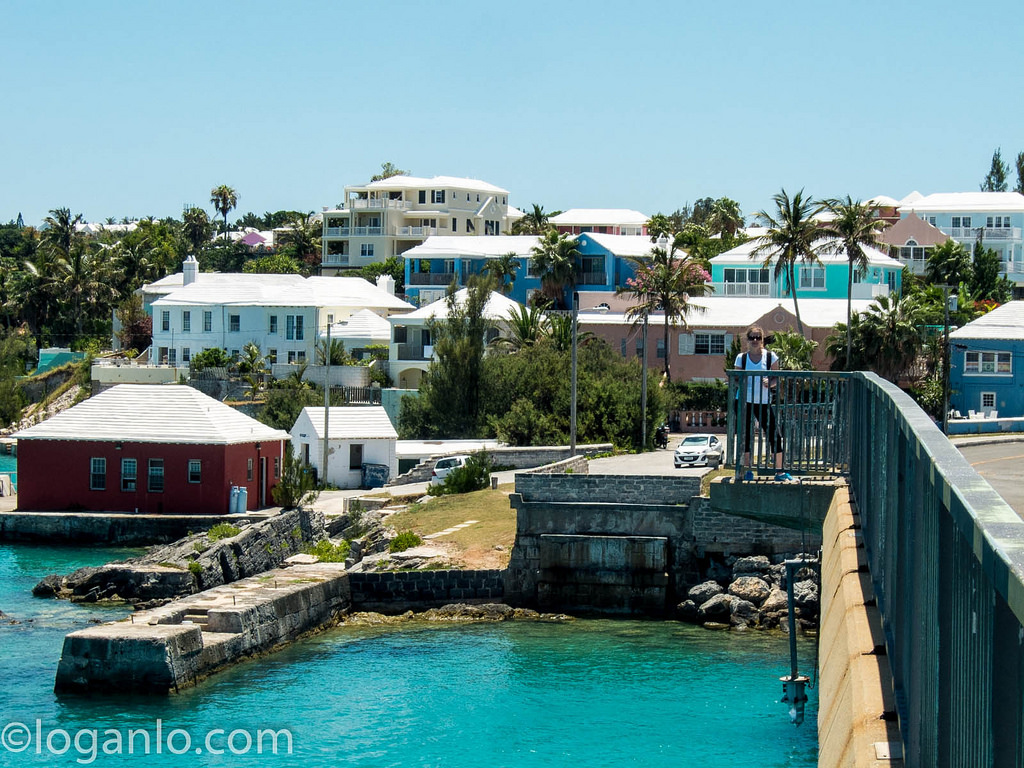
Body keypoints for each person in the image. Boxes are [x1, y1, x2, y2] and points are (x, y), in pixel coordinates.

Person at [735, 326, 795, 482]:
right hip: (745, 401)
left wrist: (771, 382)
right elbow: (735, 378)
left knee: (774, 434)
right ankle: (748, 470)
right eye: (752, 337)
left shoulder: (770, 357)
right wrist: (743, 379)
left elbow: (776, 377)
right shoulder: (741, 358)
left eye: (758, 338)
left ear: (762, 340)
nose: (755, 341)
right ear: (747, 340)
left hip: (763, 401)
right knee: (746, 436)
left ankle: (780, 471)